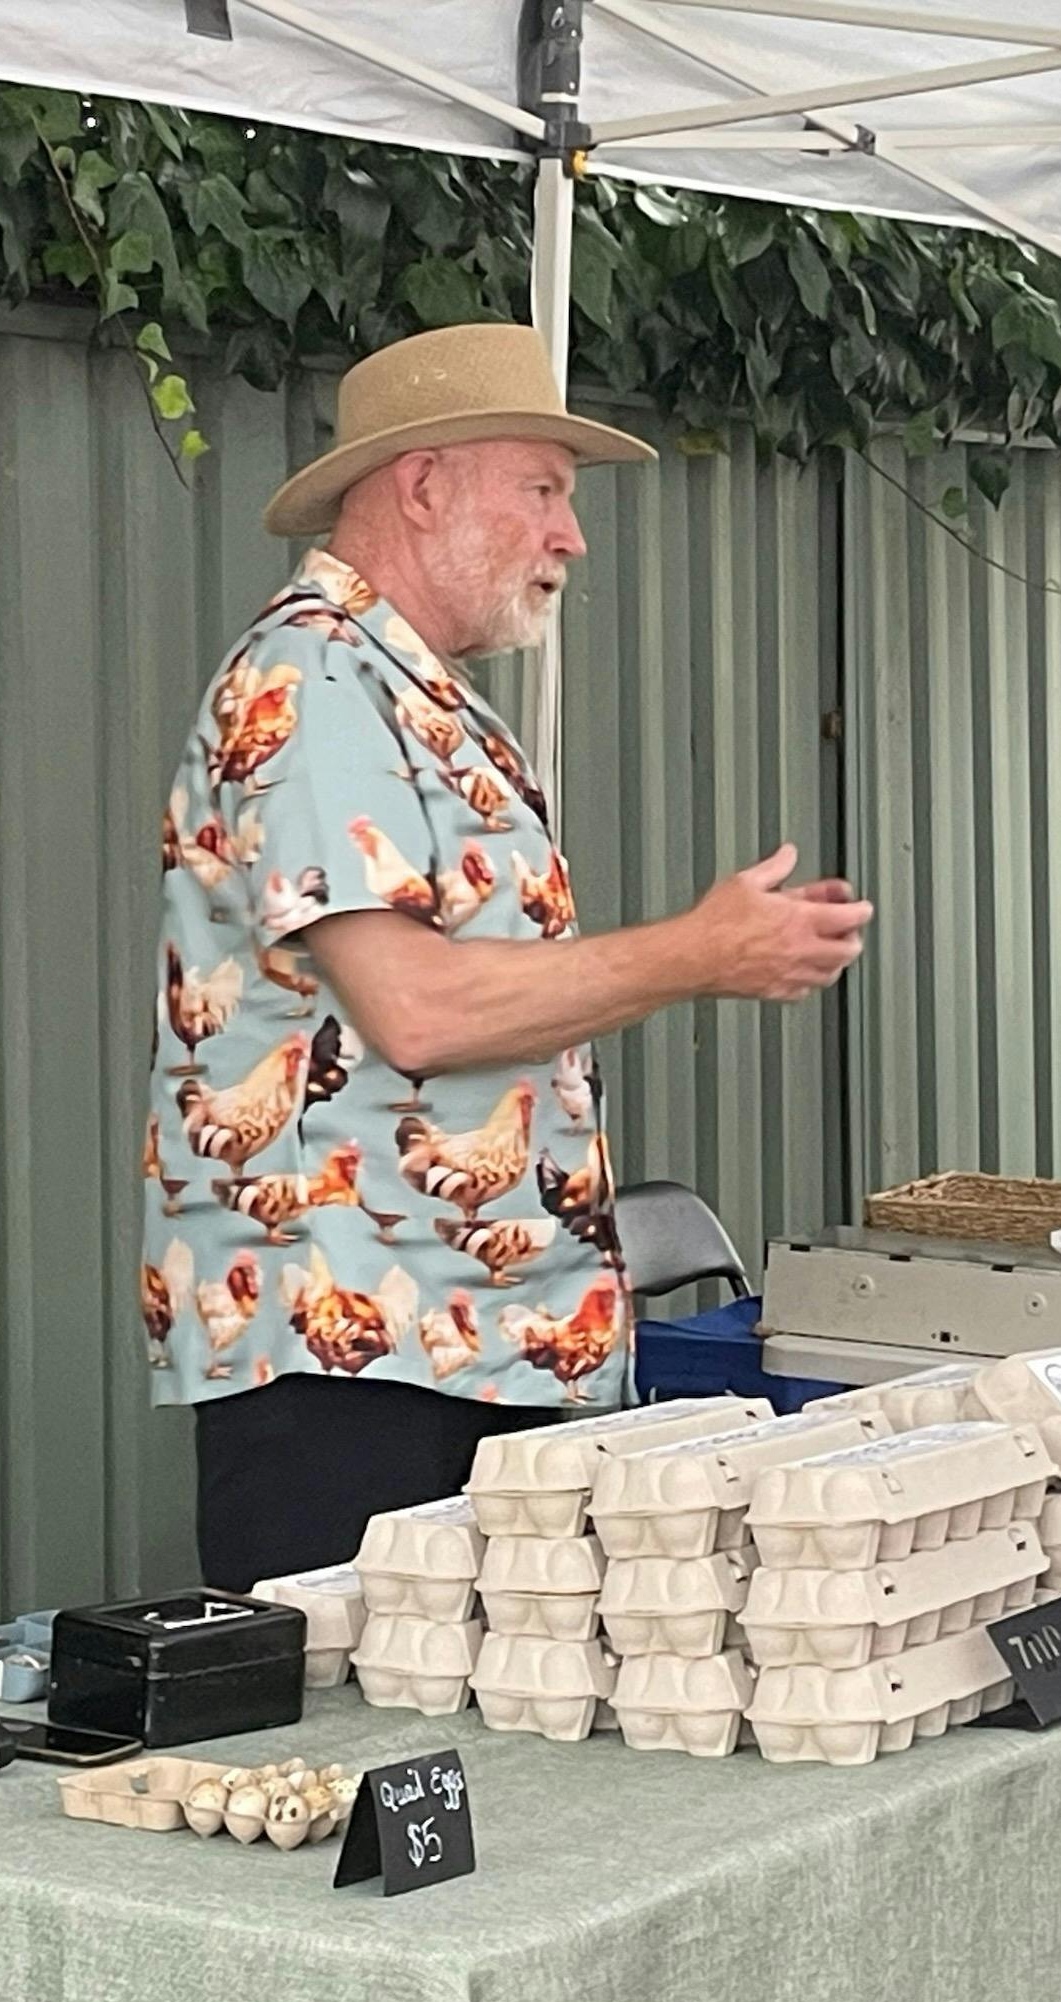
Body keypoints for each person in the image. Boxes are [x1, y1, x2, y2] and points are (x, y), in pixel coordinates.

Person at [142, 323, 873, 1590]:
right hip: (363, 1362)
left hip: (461, 1349)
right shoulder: (315, 676)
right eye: (544, 489)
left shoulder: (399, 683)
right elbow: (416, 1009)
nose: (571, 536)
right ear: (424, 487)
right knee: (363, 1767)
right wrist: (695, 950)